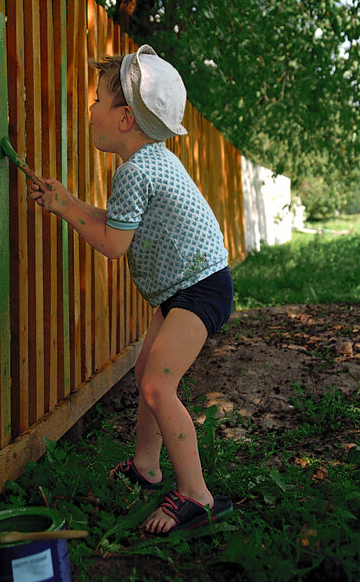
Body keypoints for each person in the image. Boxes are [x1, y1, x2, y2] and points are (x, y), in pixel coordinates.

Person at [29, 44, 233, 534]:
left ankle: (198, 496)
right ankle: (146, 466)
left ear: (124, 118)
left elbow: (112, 243)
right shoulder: (151, 161)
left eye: (97, 101)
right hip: (186, 285)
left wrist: (64, 208)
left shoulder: (135, 172)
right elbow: (119, 223)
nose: (90, 109)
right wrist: (71, 200)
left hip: (199, 288)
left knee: (157, 386)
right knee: (146, 370)